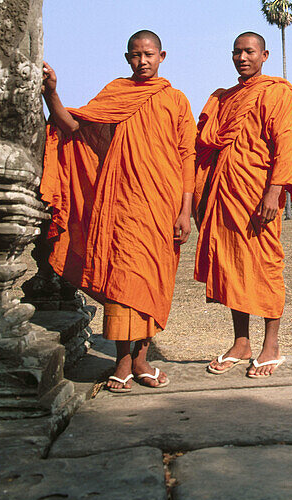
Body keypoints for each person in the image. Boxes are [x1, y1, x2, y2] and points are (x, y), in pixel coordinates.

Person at [41, 30, 194, 393]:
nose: (142, 61)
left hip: (162, 204)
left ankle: (141, 358)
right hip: (122, 203)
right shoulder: (117, 94)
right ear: (127, 58)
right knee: (123, 280)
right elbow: (75, 126)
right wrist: (51, 93)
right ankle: (125, 362)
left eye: (149, 55)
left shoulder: (176, 100)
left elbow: (187, 157)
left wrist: (185, 211)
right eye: (136, 55)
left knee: (151, 282)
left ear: (162, 56)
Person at [195, 32, 292, 378]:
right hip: (225, 194)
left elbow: (285, 144)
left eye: (249, 52)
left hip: (258, 195)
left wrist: (274, 192)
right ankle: (241, 342)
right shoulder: (224, 99)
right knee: (231, 267)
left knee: (266, 266)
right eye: (237, 52)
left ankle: (270, 345)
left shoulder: (276, 93)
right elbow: (204, 142)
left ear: (264, 55)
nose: (242, 58)